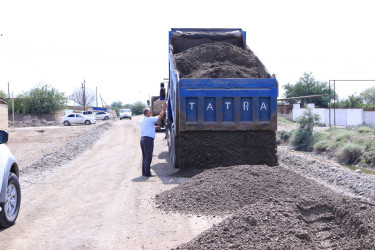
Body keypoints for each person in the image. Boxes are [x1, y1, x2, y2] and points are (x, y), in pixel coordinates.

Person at [140, 102, 167, 177]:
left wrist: (153, 128)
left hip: (143, 139)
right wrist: (164, 109)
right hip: (148, 140)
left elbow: (146, 128)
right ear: (147, 113)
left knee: (145, 156)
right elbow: (160, 117)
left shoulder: (143, 120)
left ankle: (144, 172)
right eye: (150, 111)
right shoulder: (149, 119)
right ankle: (147, 173)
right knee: (148, 156)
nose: (151, 112)